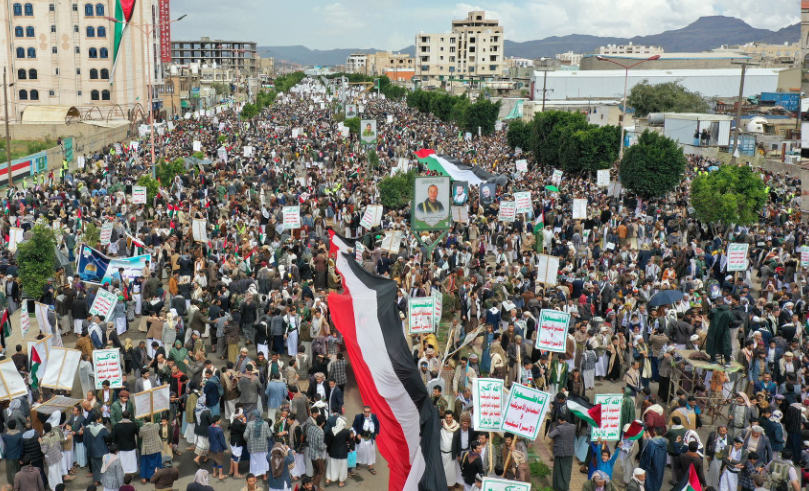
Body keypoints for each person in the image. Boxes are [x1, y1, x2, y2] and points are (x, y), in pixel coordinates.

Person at [548, 415, 576, 490]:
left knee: (559, 470)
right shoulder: (573, 427)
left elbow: (550, 435)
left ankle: (559, 487)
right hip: (569, 452)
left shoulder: (559, 428)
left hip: (560, 452)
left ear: (560, 420)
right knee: (567, 470)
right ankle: (566, 487)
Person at [351, 405, 379, 475]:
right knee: (359, 451)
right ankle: (357, 462)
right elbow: (354, 426)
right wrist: (357, 434)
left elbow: (377, 424)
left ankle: (370, 466)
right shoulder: (358, 417)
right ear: (363, 412)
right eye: (366, 412)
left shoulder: (374, 417)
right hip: (361, 438)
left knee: (370, 452)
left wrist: (377, 432)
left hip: (370, 438)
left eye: (368, 412)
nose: (367, 413)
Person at [245, 410, 271, 480]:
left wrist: (249, 440)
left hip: (253, 447)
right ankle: (264, 476)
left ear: (253, 416)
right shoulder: (265, 424)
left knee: (254, 462)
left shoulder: (249, 424)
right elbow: (269, 435)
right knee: (263, 461)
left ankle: (255, 477)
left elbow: (245, 436)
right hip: (263, 446)